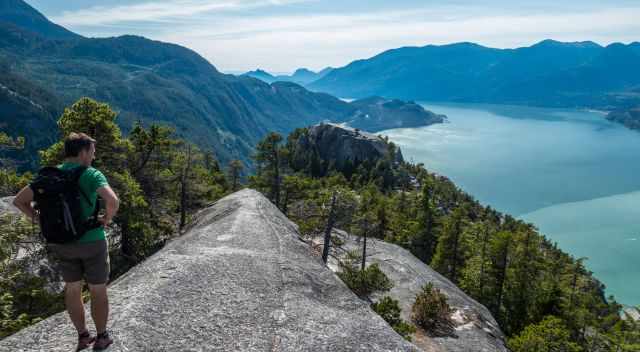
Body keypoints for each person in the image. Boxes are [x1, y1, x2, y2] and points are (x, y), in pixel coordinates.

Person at [13, 132, 120, 351]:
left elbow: (19, 201)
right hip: (91, 241)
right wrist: (106, 220)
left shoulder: (49, 176)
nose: (93, 156)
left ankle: (82, 336)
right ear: (82, 152)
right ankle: (101, 337)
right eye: (92, 152)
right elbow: (112, 200)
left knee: (73, 288)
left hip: (61, 243)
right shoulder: (91, 174)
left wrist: (39, 219)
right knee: (98, 289)